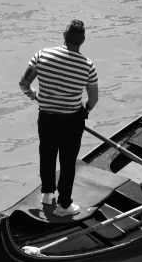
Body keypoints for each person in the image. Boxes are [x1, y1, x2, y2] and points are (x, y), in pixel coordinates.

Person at [19, 19, 99, 217]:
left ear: (64, 36)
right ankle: (64, 205)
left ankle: (47, 193)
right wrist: (85, 110)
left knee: (46, 155)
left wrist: (34, 94)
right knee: (67, 162)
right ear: (83, 41)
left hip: (46, 117)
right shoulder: (88, 66)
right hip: (72, 121)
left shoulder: (43, 54)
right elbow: (94, 99)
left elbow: (23, 83)